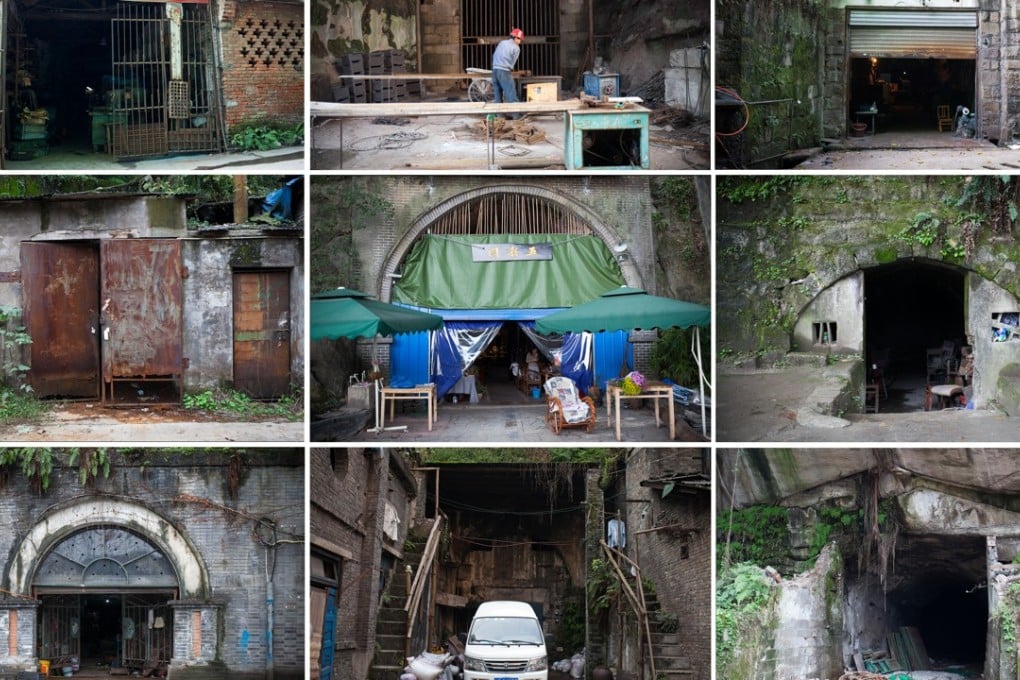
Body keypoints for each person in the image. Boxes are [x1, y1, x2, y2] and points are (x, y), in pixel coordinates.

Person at [492, 28, 524, 114]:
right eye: (520, 39)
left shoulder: (502, 42)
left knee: (498, 95)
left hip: (495, 70)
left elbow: (495, 54)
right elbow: (513, 62)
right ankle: (516, 115)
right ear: (516, 38)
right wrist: (510, 68)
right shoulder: (516, 48)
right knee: (511, 93)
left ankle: (500, 116)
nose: (520, 42)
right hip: (504, 71)